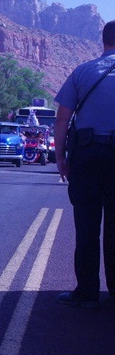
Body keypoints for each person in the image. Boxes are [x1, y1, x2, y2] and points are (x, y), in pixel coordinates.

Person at [54, 20, 115, 309]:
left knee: (87, 224)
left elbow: (62, 118)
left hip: (87, 156)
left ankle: (87, 291)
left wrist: (60, 158)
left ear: (103, 41)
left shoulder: (83, 71)